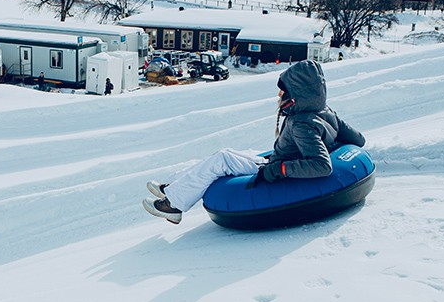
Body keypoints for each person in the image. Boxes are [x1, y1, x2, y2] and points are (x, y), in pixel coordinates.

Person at [143, 59, 365, 224]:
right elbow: (358, 139)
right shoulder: (325, 112)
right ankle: (172, 187)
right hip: (279, 160)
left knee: (222, 159)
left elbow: (322, 165)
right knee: (228, 153)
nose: (279, 96)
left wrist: (280, 169)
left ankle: (173, 206)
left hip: (276, 170)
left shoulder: (302, 123)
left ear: (295, 95)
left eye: (282, 92)